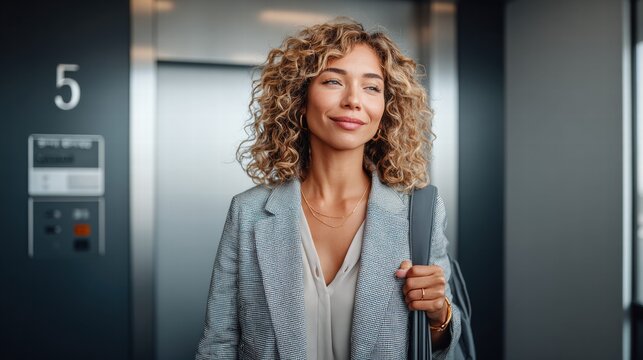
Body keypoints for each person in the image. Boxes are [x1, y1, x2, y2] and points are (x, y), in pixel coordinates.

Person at [195, 20, 461, 360]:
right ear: (300, 102)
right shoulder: (248, 213)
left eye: (372, 87)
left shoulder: (419, 212)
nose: (353, 100)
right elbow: (218, 344)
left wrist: (439, 316)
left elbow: (442, 349)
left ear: (385, 111)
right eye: (334, 81)